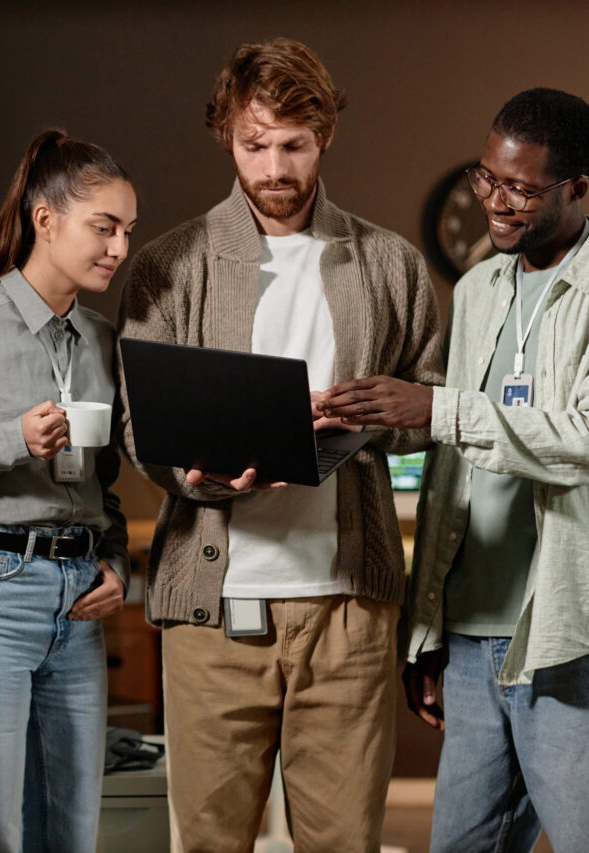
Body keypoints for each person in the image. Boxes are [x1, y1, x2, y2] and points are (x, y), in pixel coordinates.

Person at [117, 37, 442, 853]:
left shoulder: (390, 264)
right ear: (226, 137)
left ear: (325, 135)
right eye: (253, 144)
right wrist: (190, 471)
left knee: (343, 842)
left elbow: (433, 408)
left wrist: (375, 415)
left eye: (293, 144)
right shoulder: (170, 265)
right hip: (213, 611)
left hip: (347, 608)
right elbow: (137, 423)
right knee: (209, 842)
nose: (273, 167)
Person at [320, 87, 589, 852]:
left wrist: (434, 409)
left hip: (565, 636)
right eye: (486, 179)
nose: (495, 204)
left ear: (579, 189)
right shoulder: (477, 289)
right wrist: (425, 630)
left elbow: (581, 437)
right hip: (470, 640)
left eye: (521, 189)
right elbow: (451, 472)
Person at [0, 129, 137, 852]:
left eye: (126, 230)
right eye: (104, 227)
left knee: (73, 830)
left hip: (80, 596)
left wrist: (116, 560)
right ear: (46, 220)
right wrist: (9, 442)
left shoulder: (100, 338)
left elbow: (105, 486)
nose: (118, 248)